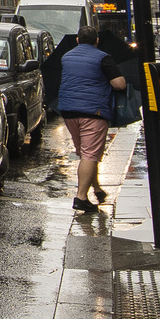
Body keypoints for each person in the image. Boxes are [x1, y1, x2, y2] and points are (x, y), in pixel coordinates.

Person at [57, 25, 126, 214]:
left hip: (68, 110)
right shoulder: (102, 57)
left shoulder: (66, 57)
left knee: (86, 153)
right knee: (90, 154)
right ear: (97, 41)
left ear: (77, 40)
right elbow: (119, 84)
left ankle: (96, 189)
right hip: (92, 111)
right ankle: (80, 197)